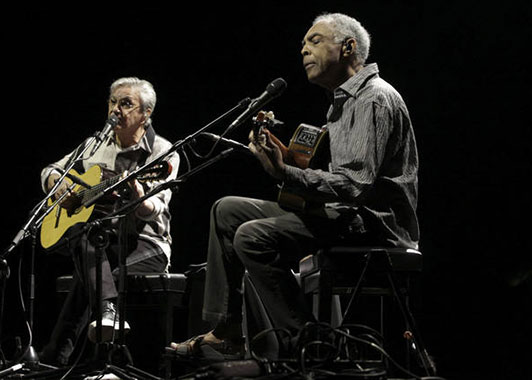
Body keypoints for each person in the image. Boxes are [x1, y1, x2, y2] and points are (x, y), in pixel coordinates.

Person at [169, 12, 419, 358]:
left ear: (348, 48)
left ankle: (309, 341)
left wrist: (284, 173)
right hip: (344, 214)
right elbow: (329, 174)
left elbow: (354, 186)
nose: (303, 50)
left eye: (314, 41)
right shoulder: (341, 104)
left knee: (252, 236)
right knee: (226, 210)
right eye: (302, 44)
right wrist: (282, 157)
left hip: (374, 223)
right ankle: (227, 328)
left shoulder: (372, 98)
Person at [39, 77, 180, 365]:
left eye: (126, 104)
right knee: (85, 235)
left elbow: (154, 209)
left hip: (147, 244)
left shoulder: (162, 152)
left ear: (145, 113)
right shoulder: (93, 146)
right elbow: (50, 170)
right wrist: (57, 180)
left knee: (91, 275)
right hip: (101, 242)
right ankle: (96, 342)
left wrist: (138, 193)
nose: (116, 109)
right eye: (113, 102)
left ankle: (61, 356)